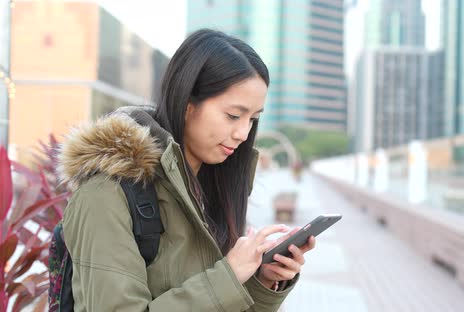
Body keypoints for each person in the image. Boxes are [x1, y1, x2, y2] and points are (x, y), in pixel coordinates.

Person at [57, 29, 315, 311]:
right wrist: (228, 276)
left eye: (253, 119)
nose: (243, 133)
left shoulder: (212, 187)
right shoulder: (106, 194)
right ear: (187, 104)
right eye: (232, 115)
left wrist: (263, 281)